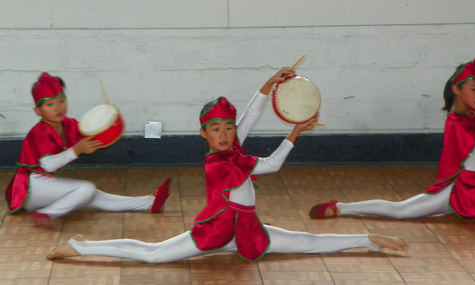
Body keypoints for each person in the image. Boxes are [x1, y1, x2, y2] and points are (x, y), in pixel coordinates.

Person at [47, 68, 407, 263]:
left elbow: (248, 117)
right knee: (154, 255)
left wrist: (267, 86)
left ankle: (370, 240)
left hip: (248, 231)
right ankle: (82, 246)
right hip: (216, 232)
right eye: (215, 129)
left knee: (307, 242)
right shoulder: (220, 163)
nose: (224, 134)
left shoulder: (233, 145)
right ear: (203, 134)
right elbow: (270, 166)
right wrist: (296, 132)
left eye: (228, 128)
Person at [309, 57, 475, 220]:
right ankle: (342, 208)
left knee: (401, 210)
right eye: (474, 90)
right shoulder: (460, 121)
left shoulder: (470, 113)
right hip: (457, 190)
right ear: (456, 90)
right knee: (399, 210)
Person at [5, 72, 171, 228]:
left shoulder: (68, 124)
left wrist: (108, 120)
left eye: (62, 101)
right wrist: (76, 150)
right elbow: (48, 165)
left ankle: (148, 202)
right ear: (38, 111)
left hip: (45, 186)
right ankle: (46, 214)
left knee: (91, 195)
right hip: (30, 187)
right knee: (86, 189)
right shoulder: (39, 132)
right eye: (50, 104)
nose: (58, 108)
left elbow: (88, 133)